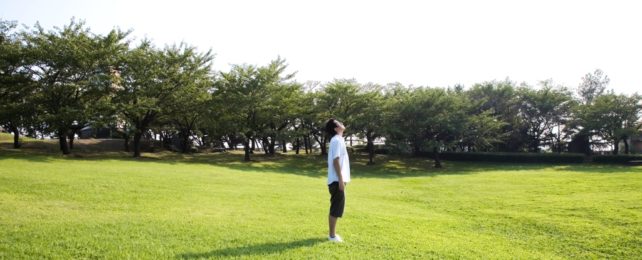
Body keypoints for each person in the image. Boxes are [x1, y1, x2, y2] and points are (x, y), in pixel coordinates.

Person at [324, 118, 351, 242]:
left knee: (337, 207)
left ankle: (332, 235)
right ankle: (332, 236)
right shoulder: (336, 141)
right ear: (336, 128)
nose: (342, 123)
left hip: (338, 180)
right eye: (339, 123)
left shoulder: (339, 140)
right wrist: (340, 180)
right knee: (336, 207)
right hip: (336, 180)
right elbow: (335, 161)